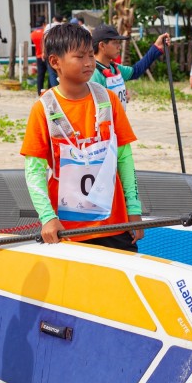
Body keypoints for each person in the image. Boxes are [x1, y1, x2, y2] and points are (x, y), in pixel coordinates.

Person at [21, 23, 143, 250]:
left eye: (90, 55)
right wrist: (47, 217)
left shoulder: (108, 100)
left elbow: (125, 157)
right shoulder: (44, 109)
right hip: (67, 230)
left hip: (114, 224)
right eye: (79, 57)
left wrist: (134, 209)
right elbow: (34, 169)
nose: (88, 62)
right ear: (55, 62)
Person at [89, 24, 168, 108]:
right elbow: (92, 106)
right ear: (102, 46)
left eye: (119, 43)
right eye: (115, 43)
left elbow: (136, 71)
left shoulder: (114, 68)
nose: (119, 47)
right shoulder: (94, 74)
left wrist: (156, 48)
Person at [31, 18, 47, 93]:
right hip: (46, 56)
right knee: (51, 74)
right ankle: (50, 89)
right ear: (43, 24)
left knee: (40, 75)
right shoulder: (45, 32)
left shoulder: (32, 34)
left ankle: (39, 91)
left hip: (38, 56)